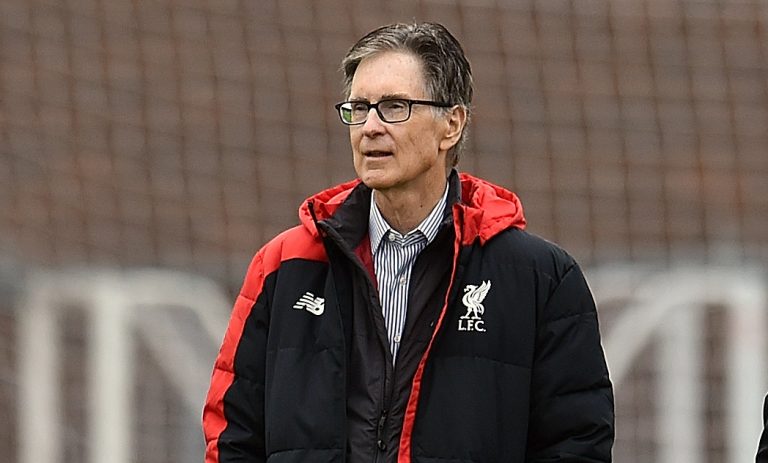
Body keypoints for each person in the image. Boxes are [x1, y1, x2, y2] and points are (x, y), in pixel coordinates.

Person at [203, 22, 614, 463]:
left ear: (451, 124)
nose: (370, 127)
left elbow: (577, 444)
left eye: (394, 107)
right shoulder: (282, 266)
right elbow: (232, 436)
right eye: (359, 108)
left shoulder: (541, 278)